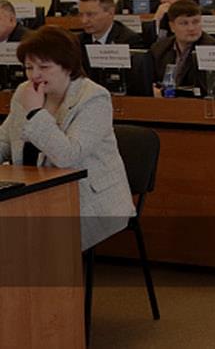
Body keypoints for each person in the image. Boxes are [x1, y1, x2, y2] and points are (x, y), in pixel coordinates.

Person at [0, 26, 135, 250]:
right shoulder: (25, 91)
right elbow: (5, 139)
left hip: (88, 199)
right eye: (29, 67)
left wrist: (35, 113)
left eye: (44, 67)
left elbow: (68, 156)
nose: (34, 75)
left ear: (68, 67)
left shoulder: (93, 97)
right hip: (33, 193)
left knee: (26, 240)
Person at [148, 0, 215, 93]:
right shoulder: (159, 48)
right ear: (172, 26)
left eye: (196, 22)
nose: (191, 28)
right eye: (184, 23)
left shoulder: (212, 49)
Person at [78, 0, 143, 48]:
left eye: (90, 14)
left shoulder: (129, 40)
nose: (84, 21)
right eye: (81, 14)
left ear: (111, 12)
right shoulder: (78, 41)